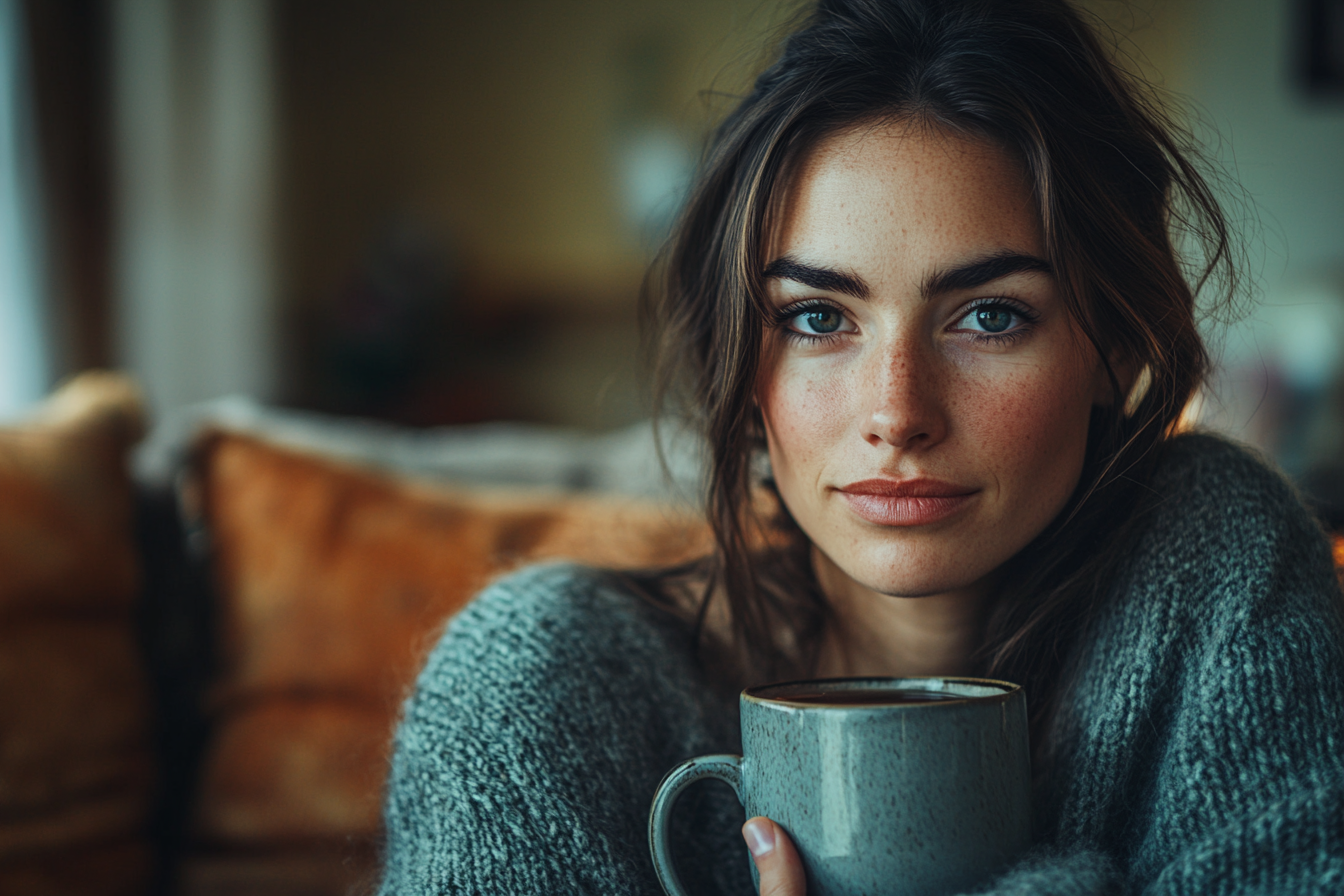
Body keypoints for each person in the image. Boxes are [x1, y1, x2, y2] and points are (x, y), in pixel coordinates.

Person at [378, 0, 1344, 893]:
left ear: (1116, 347)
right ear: (742, 368)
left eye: (991, 316)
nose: (897, 412)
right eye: (816, 319)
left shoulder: (1215, 571)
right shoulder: (540, 681)